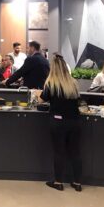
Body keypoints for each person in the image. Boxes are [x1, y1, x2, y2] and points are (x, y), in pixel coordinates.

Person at [36, 53, 82, 192]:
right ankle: (77, 183)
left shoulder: (51, 83)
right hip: (74, 121)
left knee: (59, 152)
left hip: (58, 121)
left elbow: (41, 100)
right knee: (75, 152)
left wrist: (37, 93)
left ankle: (58, 182)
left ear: (53, 68)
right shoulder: (73, 83)